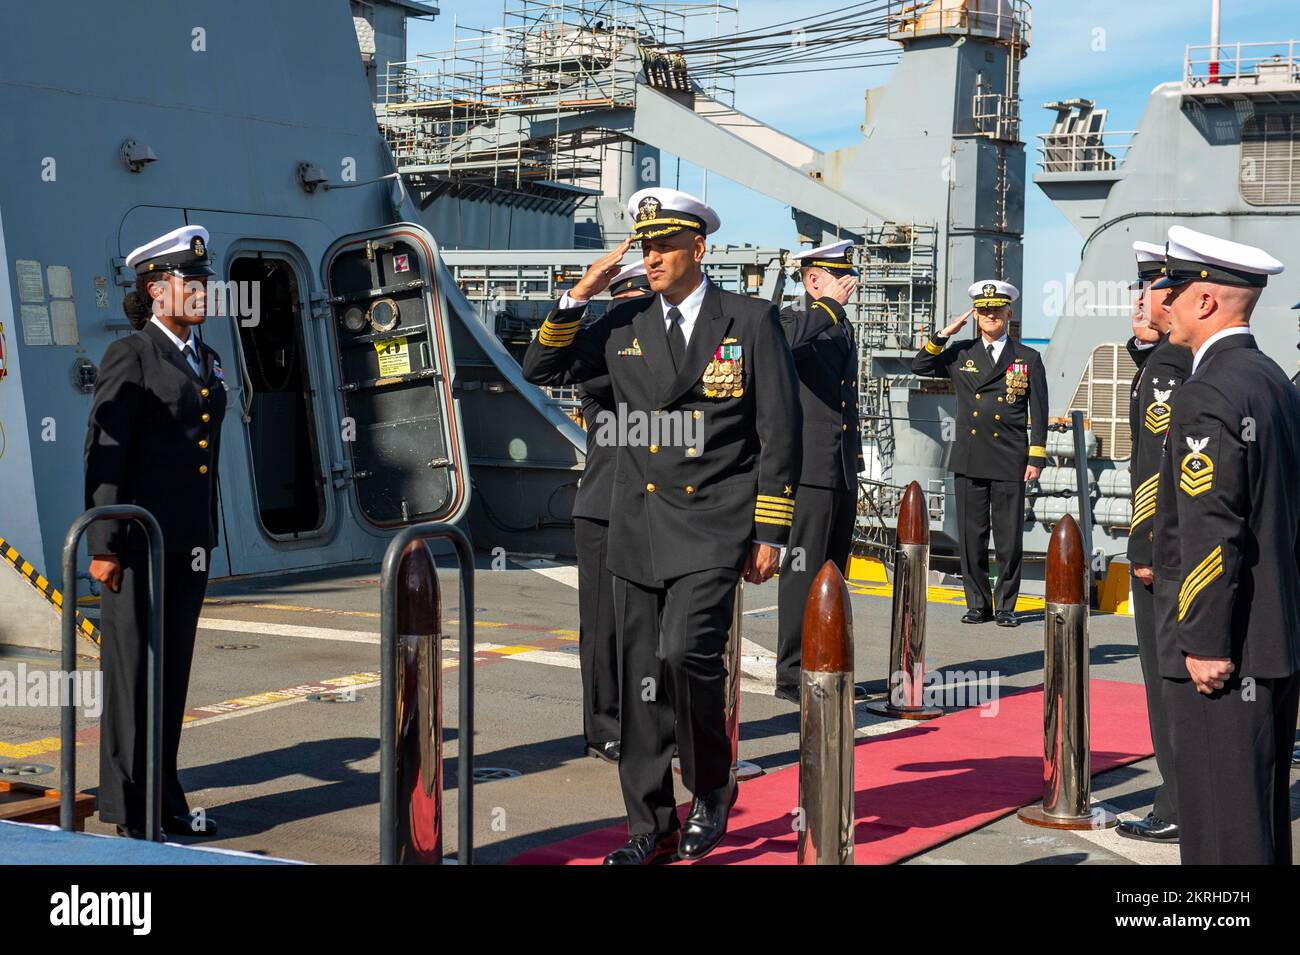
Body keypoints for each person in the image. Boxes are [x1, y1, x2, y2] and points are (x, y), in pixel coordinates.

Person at [522, 187, 801, 864]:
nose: (651, 258)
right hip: (638, 523)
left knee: (686, 654)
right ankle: (649, 826)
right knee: (639, 673)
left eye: (664, 247)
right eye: (644, 247)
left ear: (697, 248)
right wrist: (578, 294)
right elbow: (542, 367)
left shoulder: (750, 320)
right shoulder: (624, 325)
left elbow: (780, 429)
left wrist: (769, 531)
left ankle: (710, 782)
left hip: (713, 523)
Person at [1149, 225, 1299, 865]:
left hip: (1228, 647)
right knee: (1257, 815)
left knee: (1221, 833)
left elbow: (1214, 528)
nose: (1164, 303)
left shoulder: (1208, 391)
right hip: (1273, 638)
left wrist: (1205, 644)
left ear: (1205, 300)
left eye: (1174, 290)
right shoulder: (1271, 379)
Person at [84, 224, 227, 839]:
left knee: (171, 676)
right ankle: (129, 811)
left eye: (204, 279)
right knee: (132, 674)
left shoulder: (205, 357)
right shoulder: (132, 354)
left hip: (187, 541)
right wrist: (104, 545)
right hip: (137, 545)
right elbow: (103, 455)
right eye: (190, 280)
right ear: (156, 287)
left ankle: (166, 798)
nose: (201, 289)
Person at [911, 281, 1047, 626]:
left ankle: (1006, 607)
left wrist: (1036, 457)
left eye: (996, 310)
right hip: (970, 456)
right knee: (971, 536)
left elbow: (1040, 411)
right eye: (983, 311)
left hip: (1009, 457)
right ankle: (977, 604)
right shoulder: (961, 353)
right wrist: (945, 333)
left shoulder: (1028, 358)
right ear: (975, 316)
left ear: (1008, 313)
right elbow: (921, 366)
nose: (990, 315)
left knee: (1008, 537)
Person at [1116, 241, 1191, 844]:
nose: (1141, 300)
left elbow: (1157, 466)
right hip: (1174, 547)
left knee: (1166, 679)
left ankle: (1176, 803)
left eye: (1151, 290)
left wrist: (1141, 547)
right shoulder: (1164, 360)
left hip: (1161, 553)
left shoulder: (1168, 367)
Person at [774, 240, 864, 704]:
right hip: (809, 468)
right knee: (802, 570)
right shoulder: (796, 318)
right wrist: (827, 306)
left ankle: (825, 658)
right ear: (814, 281)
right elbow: (781, 343)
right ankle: (791, 672)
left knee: (834, 569)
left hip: (840, 466)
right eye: (838, 276)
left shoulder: (840, 323)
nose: (850, 284)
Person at [573, 261, 653, 764]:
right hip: (605, 507)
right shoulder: (605, 352)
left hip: (657, 507)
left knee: (648, 630)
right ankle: (604, 727)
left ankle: (649, 722)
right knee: (603, 626)